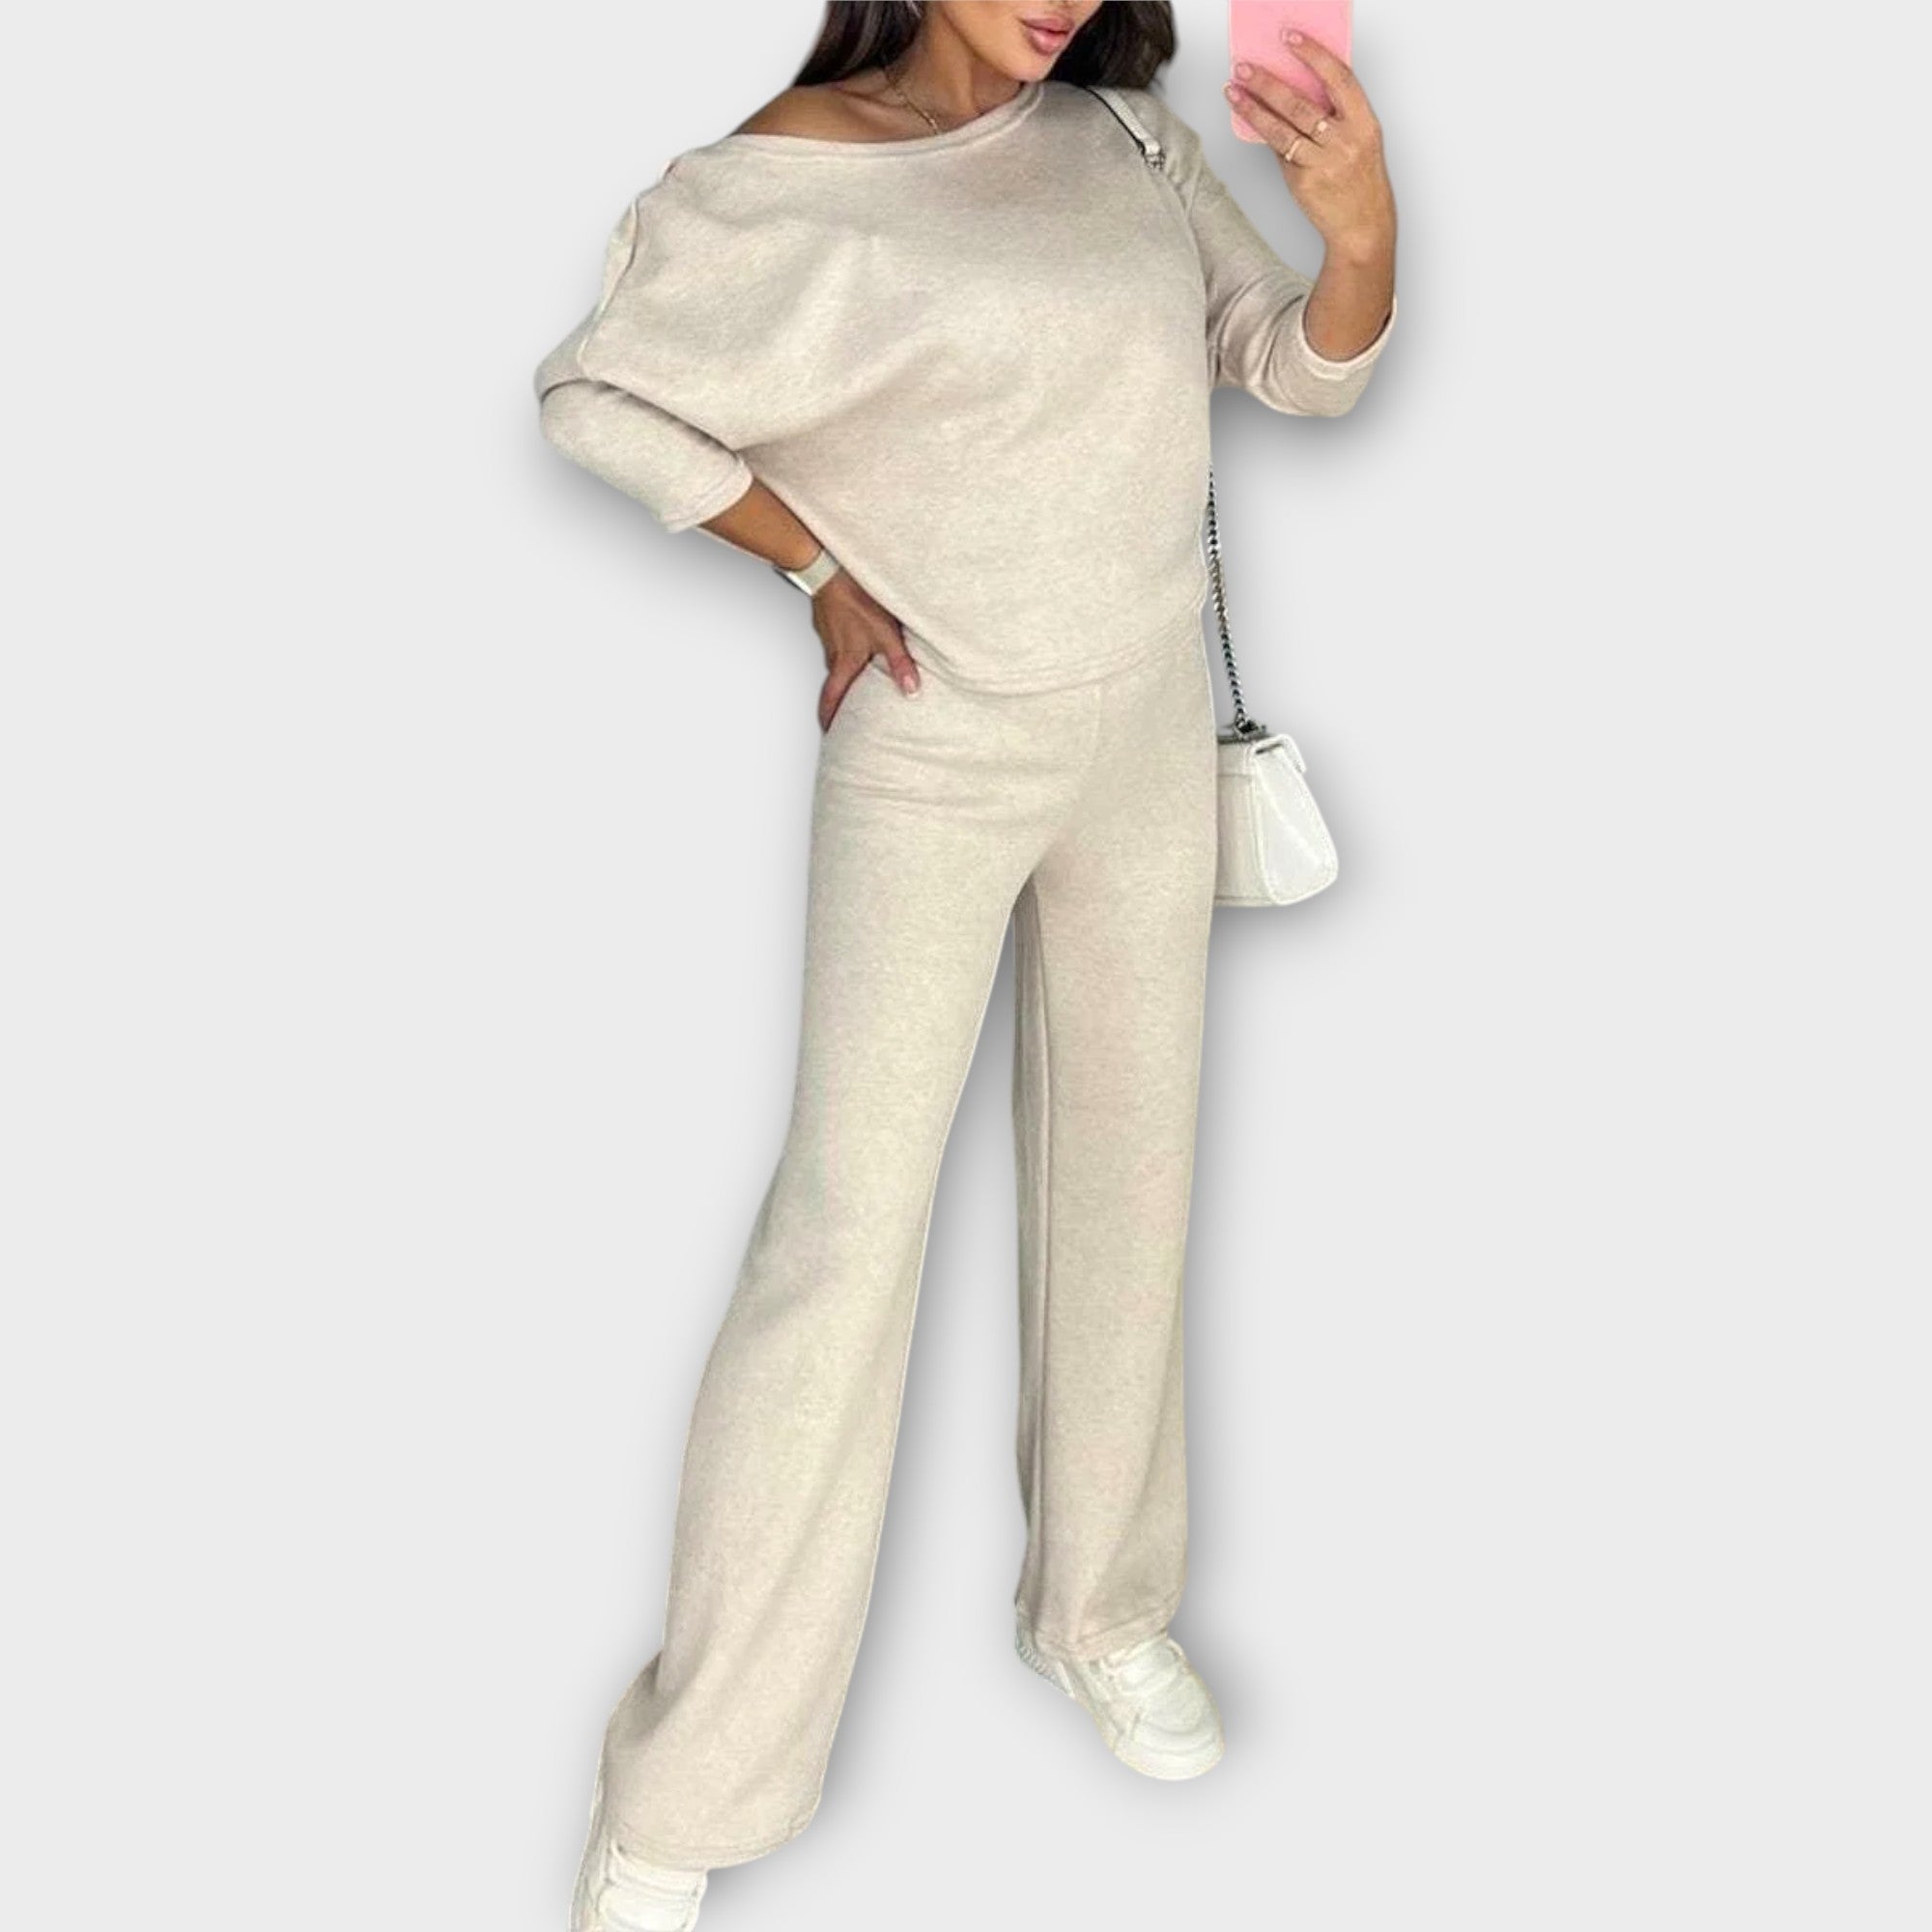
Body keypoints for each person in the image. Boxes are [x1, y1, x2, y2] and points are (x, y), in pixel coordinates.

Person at [532, 3, 1397, 1924]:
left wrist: (1360, 234)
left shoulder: (1124, 141)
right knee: (844, 1239)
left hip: (1141, 731)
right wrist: (812, 566)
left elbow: (1292, 367)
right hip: (934, 744)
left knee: (1130, 1181)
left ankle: (1099, 1612)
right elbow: (599, 398)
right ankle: (686, 1789)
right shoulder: (772, 186)